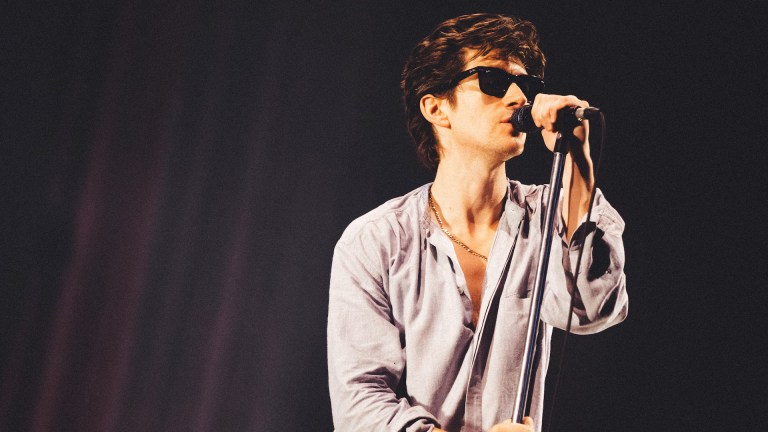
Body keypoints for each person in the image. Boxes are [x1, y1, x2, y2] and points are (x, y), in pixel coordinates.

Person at [327, 13, 628, 432]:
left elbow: (589, 310)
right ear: (436, 108)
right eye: (493, 81)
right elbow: (360, 403)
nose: (519, 98)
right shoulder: (376, 240)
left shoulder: (551, 215)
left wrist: (577, 160)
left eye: (526, 85)